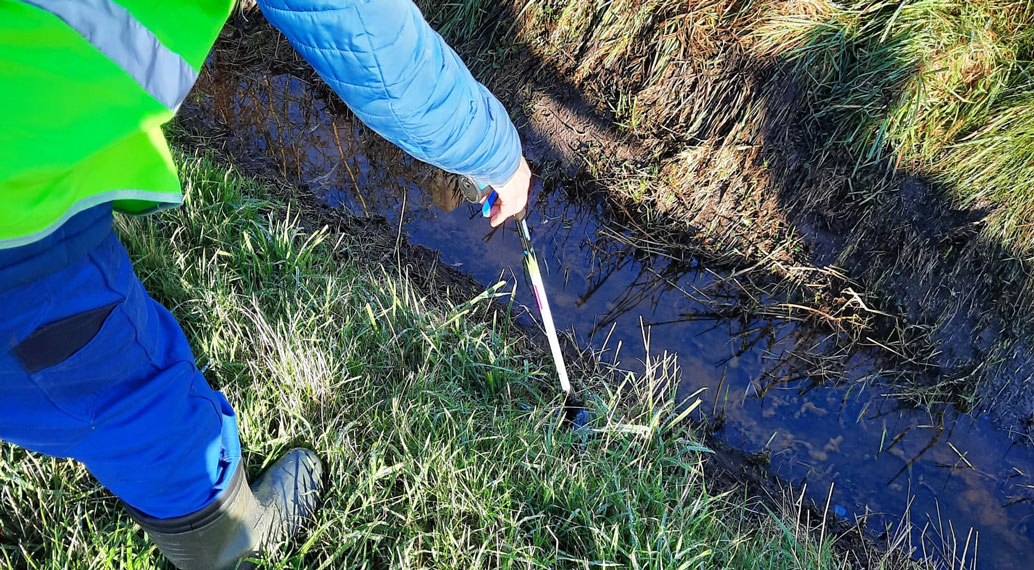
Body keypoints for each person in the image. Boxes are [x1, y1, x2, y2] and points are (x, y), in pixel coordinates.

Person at [0, 0, 530, 568]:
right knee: (134, 401)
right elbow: (378, 50)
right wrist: (500, 158)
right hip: (18, 206)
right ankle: (229, 539)